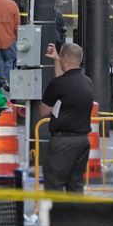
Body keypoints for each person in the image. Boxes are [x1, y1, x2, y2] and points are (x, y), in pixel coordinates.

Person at [39, 42, 95, 192]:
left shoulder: (58, 84)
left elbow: (43, 111)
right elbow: (64, 84)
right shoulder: (88, 83)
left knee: (53, 184)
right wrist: (57, 60)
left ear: (65, 59)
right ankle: (74, 215)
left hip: (62, 142)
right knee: (75, 186)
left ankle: (54, 215)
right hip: (82, 141)